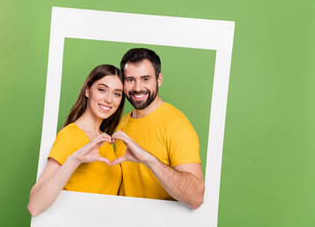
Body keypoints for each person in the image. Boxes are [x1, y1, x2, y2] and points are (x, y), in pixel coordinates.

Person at [112, 48, 205, 209]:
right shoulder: (122, 123)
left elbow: (195, 197)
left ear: (159, 79)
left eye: (145, 79)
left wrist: (148, 159)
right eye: (130, 80)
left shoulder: (176, 125)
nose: (138, 88)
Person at [28, 64, 125, 217]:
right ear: (87, 90)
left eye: (117, 94)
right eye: (102, 90)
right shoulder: (70, 135)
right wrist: (77, 158)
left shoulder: (107, 142)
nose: (108, 99)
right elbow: (35, 206)